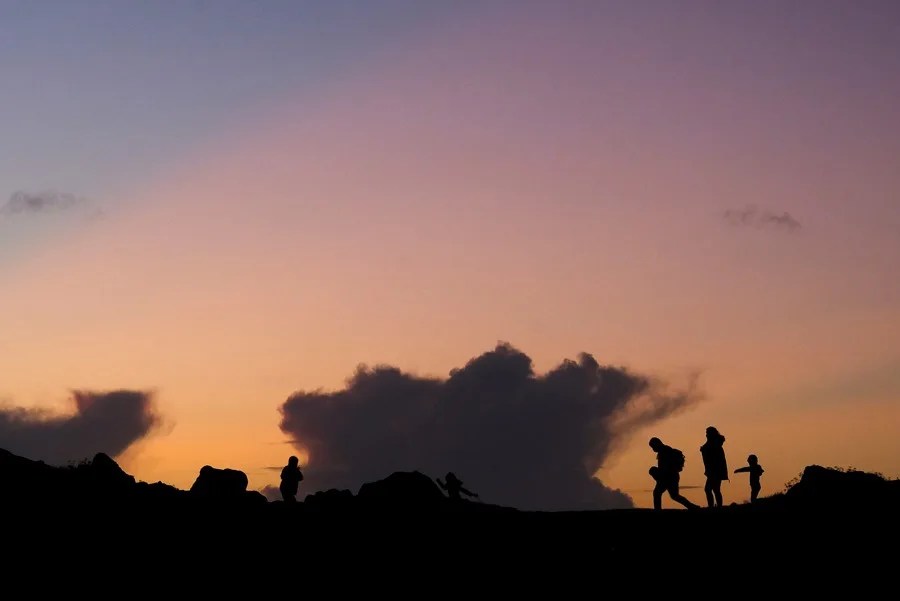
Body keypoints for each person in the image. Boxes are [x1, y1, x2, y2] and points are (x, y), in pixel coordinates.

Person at [648, 437, 699, 510]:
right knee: (674, 496)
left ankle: (657, 509)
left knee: (658, 493)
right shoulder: (664, 450)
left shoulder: (664, 451)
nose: (653, 449)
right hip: (672, 476)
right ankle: (692, 507)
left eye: (653, 447)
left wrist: (658, 474)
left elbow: (666, 467)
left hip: (668, 477)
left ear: (656, 444)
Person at [700, 426, 729, 508]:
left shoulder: (714, 444)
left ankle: (712, 506)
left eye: (707, 433)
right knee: (715, 489)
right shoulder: (712, 443)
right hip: (714, 470)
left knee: (709, 489)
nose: (706, 435)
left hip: (715, 470)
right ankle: (716, 506)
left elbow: (714, 458)